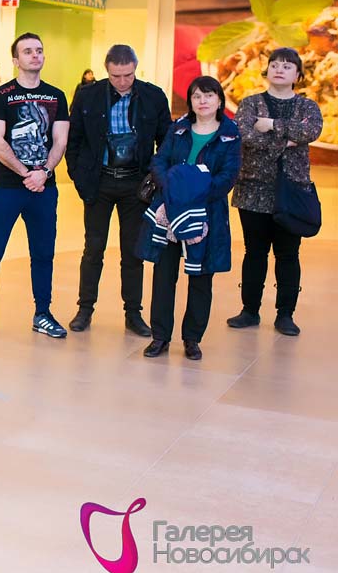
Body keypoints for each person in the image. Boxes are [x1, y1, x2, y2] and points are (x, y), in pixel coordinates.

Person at [65, 44, 171, 337]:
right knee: (93, 249)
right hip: (98, 182)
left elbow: (166, 142)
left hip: (135, 185)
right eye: (116, 76)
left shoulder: (153, 96)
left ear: (135, 69)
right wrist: (78, 175)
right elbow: (74, 140)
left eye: (128, 75)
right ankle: (85, 309)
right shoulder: (88, 95)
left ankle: (133, 313)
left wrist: (155, 178)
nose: (123, 82)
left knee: (133, 252)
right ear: (106, 71)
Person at [0, 32, 70, 339]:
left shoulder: (56, 96)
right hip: (6, 186)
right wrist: (26, 173)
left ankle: (43, 313)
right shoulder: (0, 96)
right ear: (16, 60)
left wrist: (44, 172)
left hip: (44, 188)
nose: (35, 55)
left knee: (43, 253)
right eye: (27, 51)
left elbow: (60, 141)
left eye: (39, 50)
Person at [138, 76, 240, 360]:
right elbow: (160, 161)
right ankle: (160, 337)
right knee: (163, 276)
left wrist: (192, 196)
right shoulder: (179, 128)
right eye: (196, 96)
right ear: (191, 101)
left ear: (219, 100)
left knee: (201, 278)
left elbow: (227, 177)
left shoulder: (230, 134)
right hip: (169, 211)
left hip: (206, 213)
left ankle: (192, 339)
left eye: (208, 95)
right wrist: (172, 191)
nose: (202, 101)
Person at [227, 48, 323, 336]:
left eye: (287, 66)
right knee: (254, 252)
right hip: (253, 190)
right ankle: (249, 310)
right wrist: (288, 139)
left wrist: (271, 125)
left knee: (288, 254)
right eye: (274, 65)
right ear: (267, 71)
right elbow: (246, 136)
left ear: (298, 75)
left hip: (292, 192)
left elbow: (311, 131)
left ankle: (285, 314)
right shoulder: (249, 103)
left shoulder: (307, 107)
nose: (280, 69)